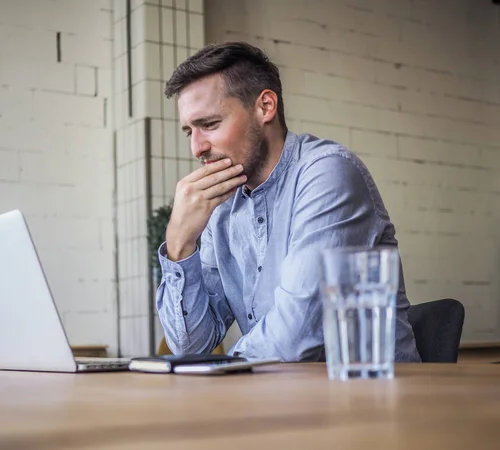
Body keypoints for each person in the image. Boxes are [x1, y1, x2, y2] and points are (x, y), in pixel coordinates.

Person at [155, 41, 421, 362]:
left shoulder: (327, 173)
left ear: (265, 106)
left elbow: (294, 338)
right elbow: (191, 347)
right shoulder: (221, 207)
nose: (197, 148)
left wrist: (219, 369)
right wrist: (179, 245)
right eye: (189, 131)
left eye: (209, 125)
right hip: (282, 400)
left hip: (369, 401)